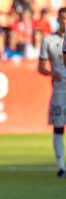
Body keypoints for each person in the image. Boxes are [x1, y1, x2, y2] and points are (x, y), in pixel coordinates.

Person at [38, 7, 66, 178]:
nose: (64, 21)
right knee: (58, 127)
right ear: (57, 19)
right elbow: (40, 66)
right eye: (62, 18)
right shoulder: (48, 40)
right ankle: (61, 165)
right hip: (59, 89)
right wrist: (51, 73)